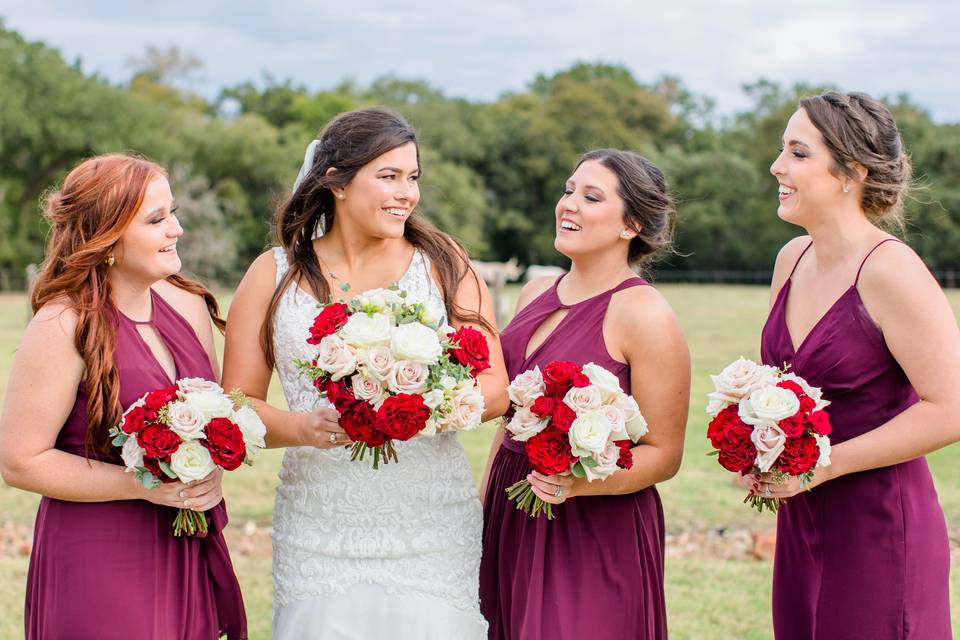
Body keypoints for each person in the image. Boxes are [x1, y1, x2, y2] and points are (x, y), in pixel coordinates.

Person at [221, 107, 508, 639]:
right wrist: (303, 427)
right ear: (337, 182)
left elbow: (495, 389)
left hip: (431, 525)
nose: (407, 193)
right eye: (389, 176)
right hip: (319, 528)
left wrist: (424, 404)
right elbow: (237, 401)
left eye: (413, 177)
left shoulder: (444, 264)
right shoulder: (273, 274)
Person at [0, 153, 247, 639]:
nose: (176, 229)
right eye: (156, 220)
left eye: (173, 212)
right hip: (99, 552)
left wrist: (207, 476)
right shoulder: (63, 323)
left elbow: (211, 426)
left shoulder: (189, 304)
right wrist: (142, 485)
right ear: (107, 238)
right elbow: (19, 461)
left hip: (185, 545)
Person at [753, 90, 956, 639]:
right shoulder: (790, 259)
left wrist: (826, 463)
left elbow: (951, 409)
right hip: (802, 517)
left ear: (852, 172)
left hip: (880, 523)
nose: (777, 165)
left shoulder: (892, 271)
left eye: (798, 152)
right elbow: (780, 387)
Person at [479, 149, 690, 639]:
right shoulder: (536, 291)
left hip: (591, 524)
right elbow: (512, 420)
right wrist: (484, 503)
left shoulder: (645, 314)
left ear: (630, 224)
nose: (568, 204)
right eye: (568, 190)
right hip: (512, 509)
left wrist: (577, 482)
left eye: (590, 197)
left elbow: (664, 453)